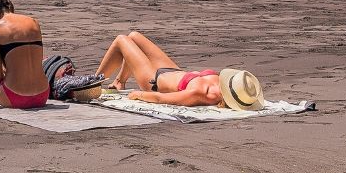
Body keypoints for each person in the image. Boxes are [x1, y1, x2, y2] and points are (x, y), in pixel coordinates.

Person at [95, 31, 266, 110]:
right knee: (134, 36)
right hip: (171, 70)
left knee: (121, 40)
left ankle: (91, 84)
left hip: (153, 81)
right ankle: (119, 82)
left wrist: (138, 95)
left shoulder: (201, 93)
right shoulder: (220, 80)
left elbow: (161, 98)